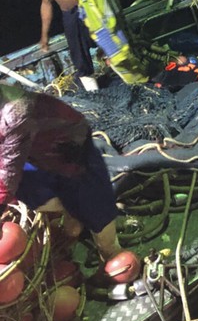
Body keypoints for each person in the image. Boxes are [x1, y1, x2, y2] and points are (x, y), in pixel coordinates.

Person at [0, 83, 126, 263]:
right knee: (29, 190)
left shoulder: (14, 112)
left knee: (92, 203)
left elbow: (9, 170)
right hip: (31, 151)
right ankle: (73, 219)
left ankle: (111, 252)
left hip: (68, 145)